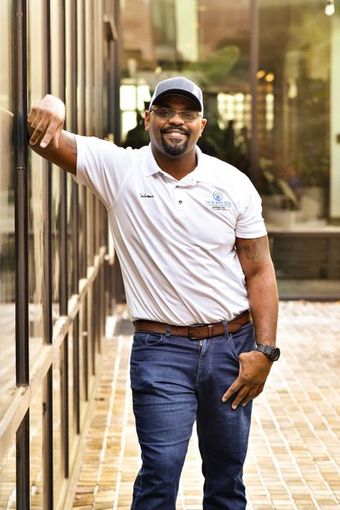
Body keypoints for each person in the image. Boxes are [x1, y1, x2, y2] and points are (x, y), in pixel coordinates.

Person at [28, 76, 279, 510]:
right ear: (148, 119)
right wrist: (52, 103)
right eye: (165, 111)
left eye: (186, 113)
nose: (175, 121)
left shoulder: (233, 184)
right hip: (161, 350)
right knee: (160, 472)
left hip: (230, 348)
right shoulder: (121, 170)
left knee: (226, 476)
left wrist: (265, 352)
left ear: (202, 124)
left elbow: (259, 270)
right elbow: (47, 140)